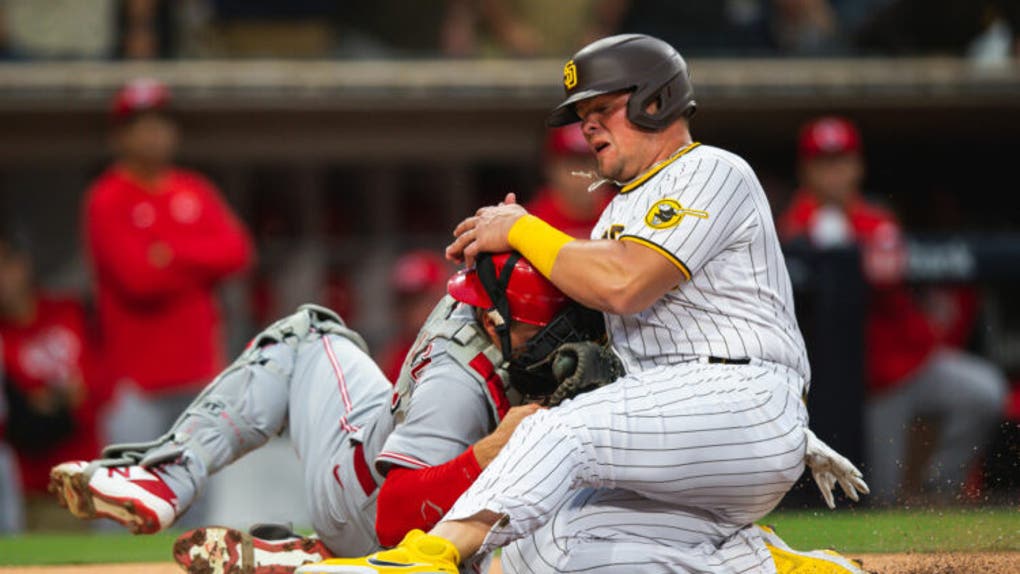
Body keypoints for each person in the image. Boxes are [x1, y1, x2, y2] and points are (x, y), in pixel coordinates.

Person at [300, 34, 867, 574]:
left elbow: (625, 282)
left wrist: (522, 228)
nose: (587, 123)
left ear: (657, 100)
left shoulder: (709, 169)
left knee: (553, 432)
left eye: (603, 106)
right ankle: (757, 564)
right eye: (581, 112)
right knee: (542, 553)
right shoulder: (617, 212)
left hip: (742, 399)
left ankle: (427, 555)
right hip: (689, 422)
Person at [50, 253, 609, 573]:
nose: (565, 340)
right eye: (550, 327)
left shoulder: (500, 312)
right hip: (371, 506)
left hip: (425, 510)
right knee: (308, 331)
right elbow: (397, 514)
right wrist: (488, 454)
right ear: (495, 323)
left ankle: (310, 563)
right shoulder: (458, 382)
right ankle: (166, 477)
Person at [778, 116, 1007, 504]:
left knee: (985, 391)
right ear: (806, 170)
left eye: (842, 160)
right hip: (865, 390)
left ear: (858, 166)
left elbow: (892, 281)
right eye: (823, 162)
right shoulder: (791, 227)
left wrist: (857, 247)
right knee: (878, 496)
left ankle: (939, 491)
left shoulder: (878, 220)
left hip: (915, 364)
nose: (834, 172)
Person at [83, 78, 254, 463]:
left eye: (161, 122)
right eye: (140, 124)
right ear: (119, 136)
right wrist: (199, 265)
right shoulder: (107, 198)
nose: (153, 133)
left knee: (195, 504)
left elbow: (238, 252)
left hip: (198, 377)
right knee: (128, 500)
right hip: (136, 384)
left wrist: (170, 252)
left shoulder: (194, 189)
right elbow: (139, 279)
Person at [0, 230, 101, 531]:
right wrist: (60, 399)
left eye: (5, 264)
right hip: (42, 490)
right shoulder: (4, 340)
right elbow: (21, 422)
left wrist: (53, 399)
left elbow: (99, 384)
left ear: (23, 264)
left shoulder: (69, 310)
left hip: (100, 475)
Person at [524, 124, 613, 239]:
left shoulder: (631, 216)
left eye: (594, 164)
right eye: (574, 166)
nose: (585, 176)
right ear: (551, 168)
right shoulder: (529, 224)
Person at [376, 250, 451, 383]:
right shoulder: (395, 359)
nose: (412, 310)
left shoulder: (460, 350)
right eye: (406, 300)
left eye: (421, 300)